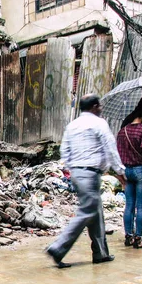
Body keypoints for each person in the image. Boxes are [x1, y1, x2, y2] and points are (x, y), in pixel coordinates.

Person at [45, 94, 126, 268]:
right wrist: (120, 171)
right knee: (87, 212)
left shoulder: (72, 125)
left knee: (96, 212)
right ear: (95, 106)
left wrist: (72, 168)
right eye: (100, 106)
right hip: (90, 174)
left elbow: (64, 151)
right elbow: (110, 148)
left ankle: (100, 253)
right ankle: (57, 248)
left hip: (77, 173)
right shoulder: (99, 123)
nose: (101, 109)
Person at [116, 104, 142, 249]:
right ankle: (138, 238)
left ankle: (128, 236)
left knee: (129, 206)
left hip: (127, 171)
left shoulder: (122, 131)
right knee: (141, 206)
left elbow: (118, 155)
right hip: (141, 171)